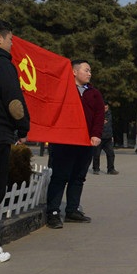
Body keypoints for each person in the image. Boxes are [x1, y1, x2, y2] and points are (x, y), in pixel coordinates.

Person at [0, 20, 30, 264]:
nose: (12, 44)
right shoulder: (1, 64)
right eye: (10, 39)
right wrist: (23, 128)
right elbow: (14, 102)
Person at [46, 59, 105, 229]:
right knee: (60, 176)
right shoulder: (62, 89)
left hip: (85, 142)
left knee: (78, 177)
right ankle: (53, 212)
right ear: (73, 72)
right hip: (64, 141)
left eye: (90, 71)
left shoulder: (94, 93)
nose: (89, 73)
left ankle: (72, 210)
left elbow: (99, 116)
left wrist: (96, 135)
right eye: (86, 70)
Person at [93, 101, 118, 175]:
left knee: (111, 153)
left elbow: (110, 126)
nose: (105, 109)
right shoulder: (97, 113)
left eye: (106, 107)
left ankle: (111, 169)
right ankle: (96, 169)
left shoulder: (110, 114)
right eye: (104, 107)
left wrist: (112, 135)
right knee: (96, 154)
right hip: (99, 137)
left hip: (108, 138)